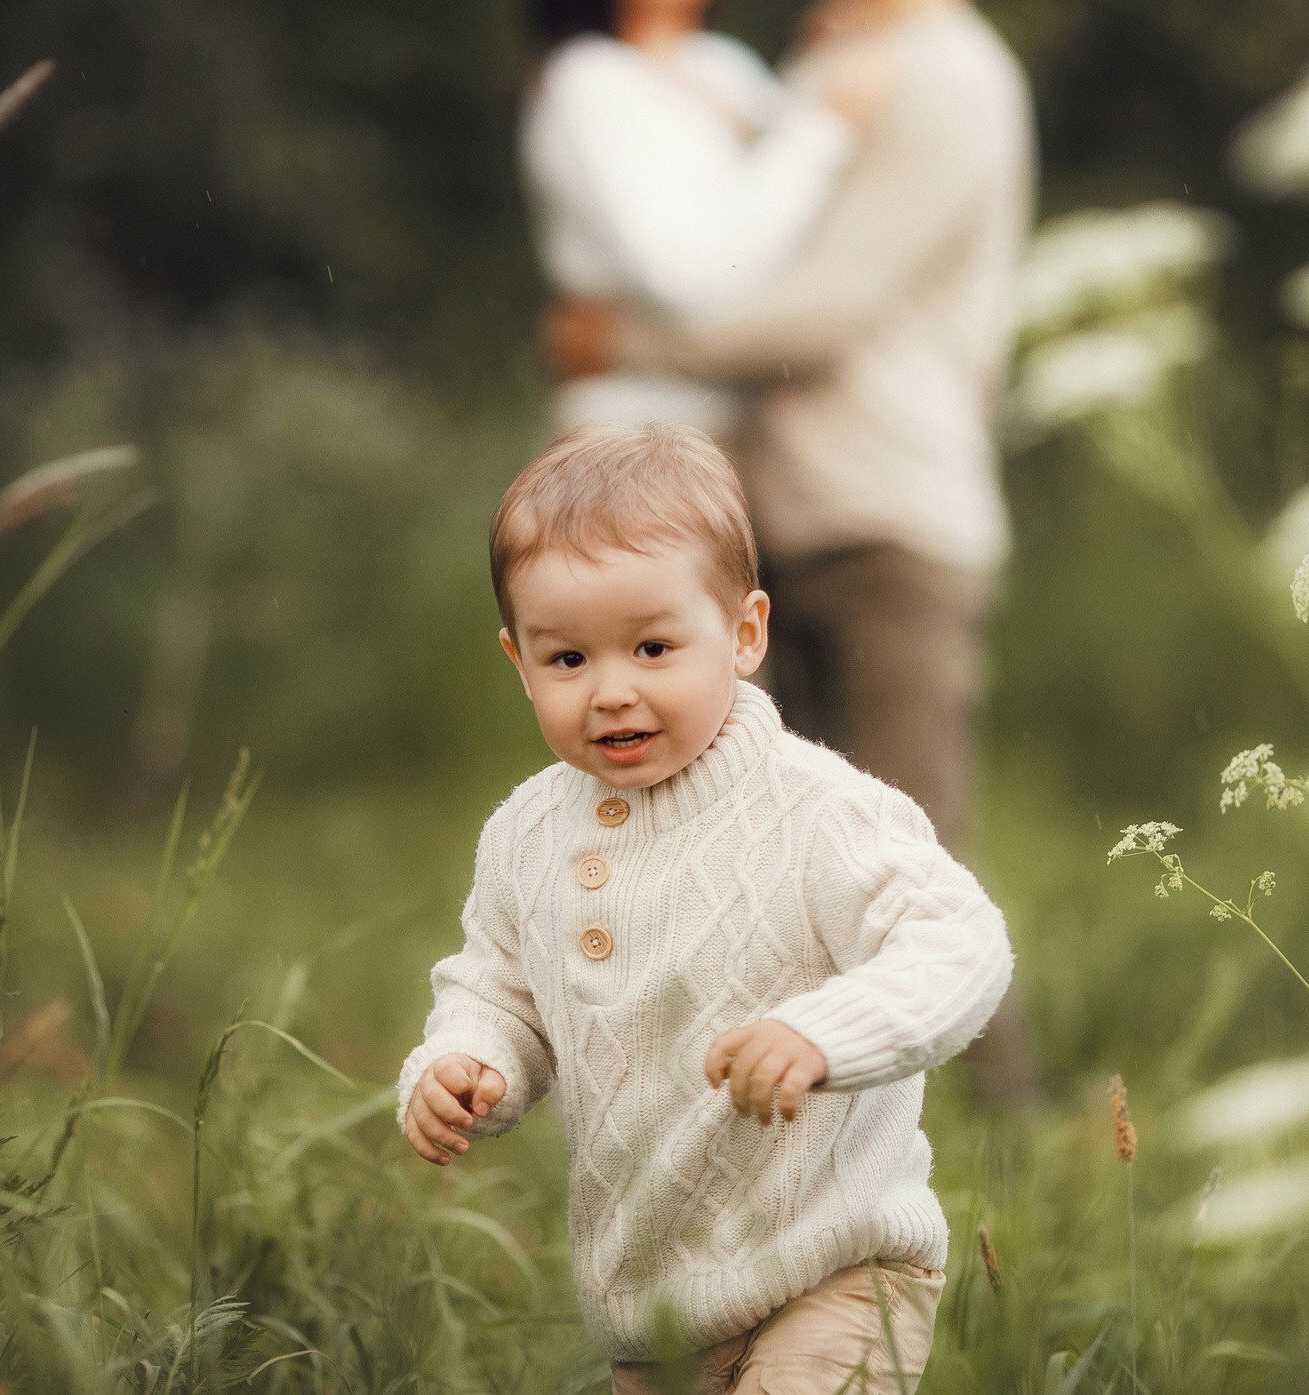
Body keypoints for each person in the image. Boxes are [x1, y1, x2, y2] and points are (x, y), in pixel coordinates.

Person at [547, 0, 1038, 1104]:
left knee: (918, 874)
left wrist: (621, 345)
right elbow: (736, 230)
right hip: (790, 524)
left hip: (890, 520)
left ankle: (1019, 1167)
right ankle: (818, 1174)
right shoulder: (837, 59)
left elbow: (820, 308)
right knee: (792, 891)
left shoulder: (951, 76)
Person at [399, 423, 1014, 1394]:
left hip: (837, 1261)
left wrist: (825, 1033)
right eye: (568, 659)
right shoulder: (524, 836)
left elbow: (960, 942)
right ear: (518, 660)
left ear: (744, 633)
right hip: (653, 1311)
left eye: (653, 647)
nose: (612, 691)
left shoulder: (818, 811)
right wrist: (468, 1061)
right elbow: (498, 989)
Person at [521, 0, 885, 440]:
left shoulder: (726, 65)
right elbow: (689, 280)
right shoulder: (588, 82)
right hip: (634, 448)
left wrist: (817, 68)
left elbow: (792, 230)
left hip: (745, 444)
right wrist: (821, 127)